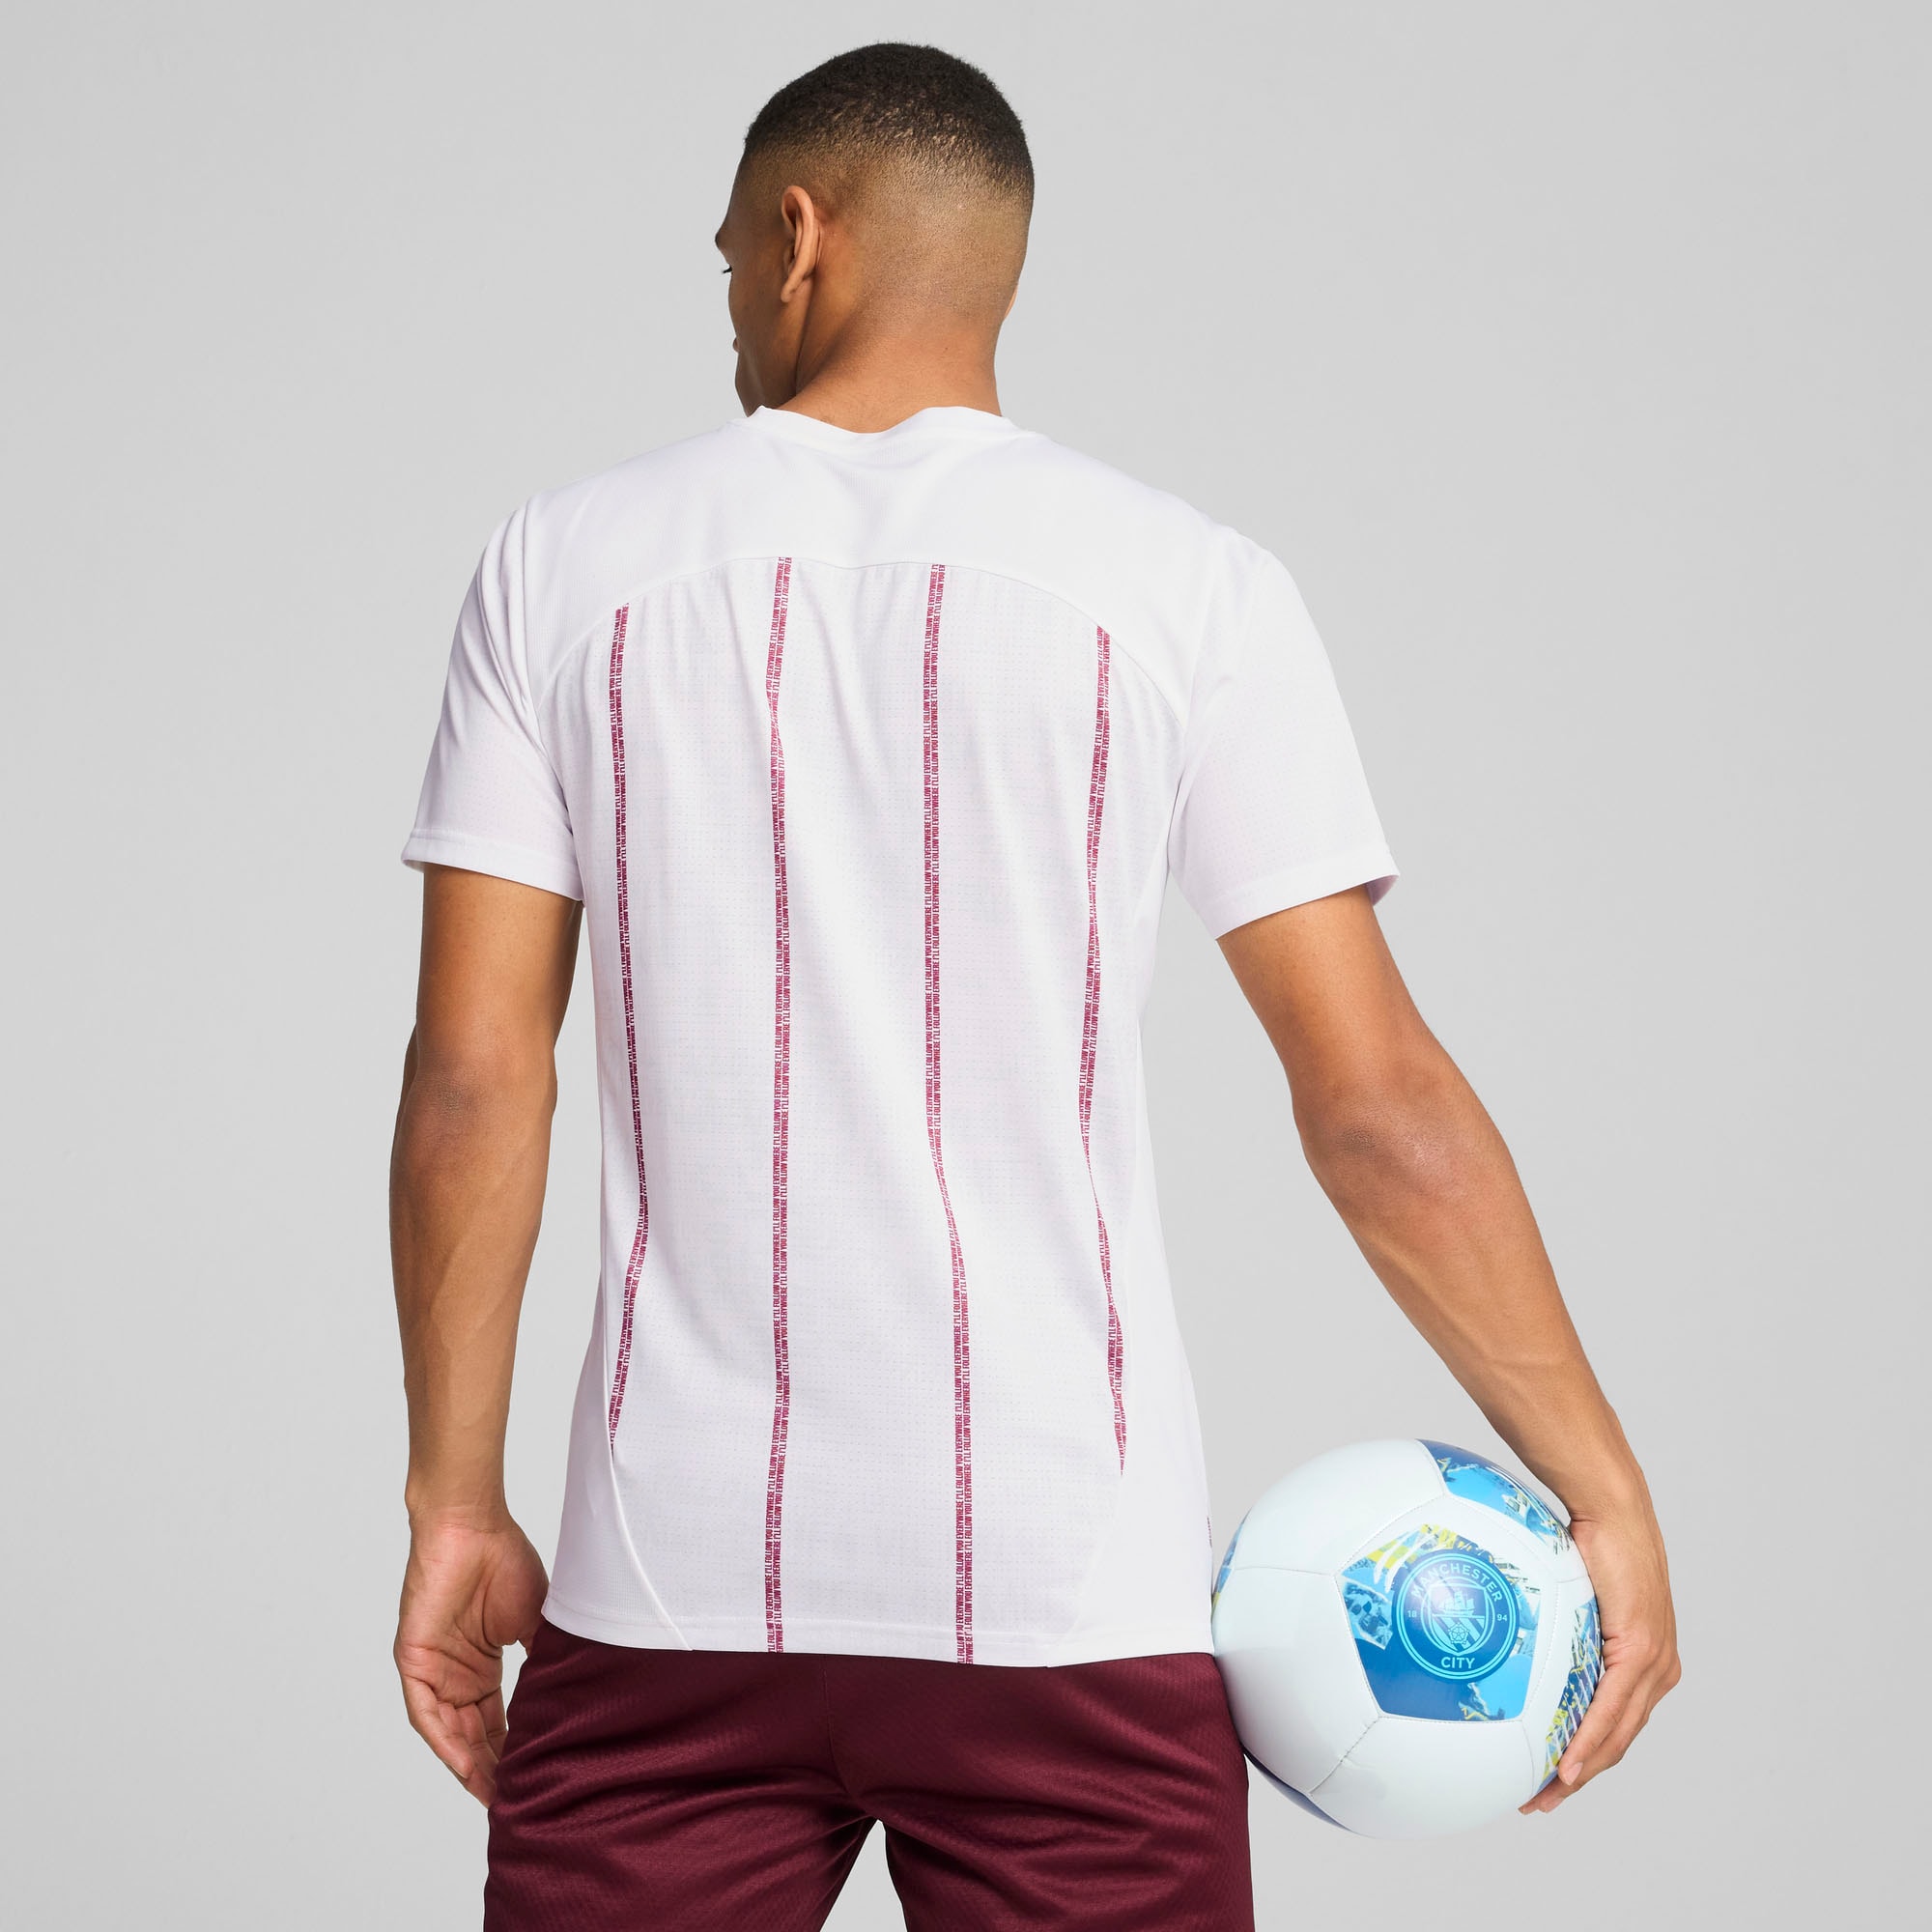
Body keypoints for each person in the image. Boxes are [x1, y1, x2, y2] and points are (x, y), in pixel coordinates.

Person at [390, 41, 1679, 1931]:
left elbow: (476, 1079)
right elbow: (1375, 1103)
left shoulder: (558, 569)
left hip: (663, 1593)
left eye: (730, 255)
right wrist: (1603, 1489)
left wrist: (452, 1501)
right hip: (1069, 1596)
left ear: (799, 239)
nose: (729, 299)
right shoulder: (1187, 588)